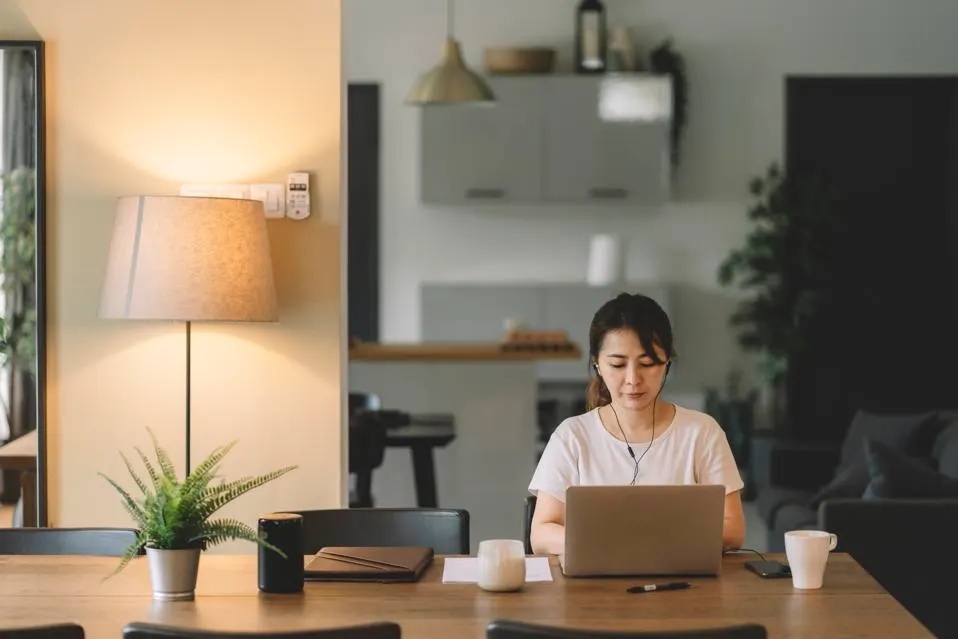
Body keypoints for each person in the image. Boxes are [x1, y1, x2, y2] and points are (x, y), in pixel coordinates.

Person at [528, 292, 746, 555]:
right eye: (618, 365)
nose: (633, 379)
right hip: (593, 589)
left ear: (667, 362)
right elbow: (541, 533)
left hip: (683, 588)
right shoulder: (572, 437)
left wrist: (644, 541)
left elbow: (733, 529)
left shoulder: (702, 432)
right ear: (597, 364)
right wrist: (615, 543)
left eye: (647, 363)